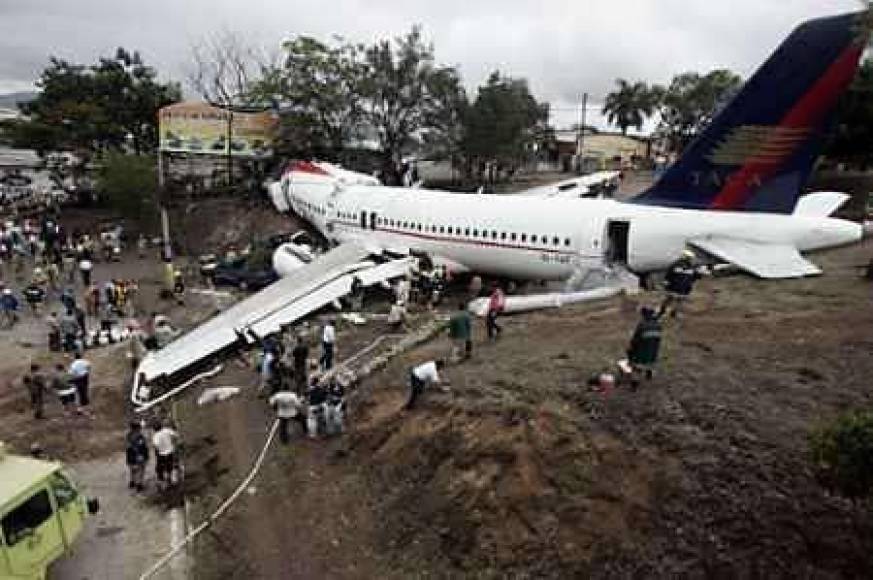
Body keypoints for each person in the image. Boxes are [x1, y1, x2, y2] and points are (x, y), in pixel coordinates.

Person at [624, 307, 663, 390]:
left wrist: (630, 351)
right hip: (653, 351)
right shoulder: (658, 325)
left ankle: (634, 386)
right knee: (650, 362)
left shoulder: (642, 325)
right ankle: (649, 374)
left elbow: (635, 341)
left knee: (637, 368)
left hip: (641, 352)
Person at [659, 250, 702, 319]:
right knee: (671, 300)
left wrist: (698, 273)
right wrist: (666, 282)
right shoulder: (677, 265)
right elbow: (669, 275)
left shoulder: (690, 267)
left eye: (690, 258)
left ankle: (671, 313)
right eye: (688, 258)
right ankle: (663, 312)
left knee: (676, 301)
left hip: (682, 287)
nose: (689, 259)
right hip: (676, 286)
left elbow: (696, 277)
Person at [152, 421, 180, 490]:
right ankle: (170, 480)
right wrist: (174, 443)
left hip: (161, 454)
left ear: (154, 429)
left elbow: (156, 445)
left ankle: (163, 483)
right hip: (170, 452)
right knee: (169, 466)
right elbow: (176, 435)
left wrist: (157, 450)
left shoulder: (156, 435)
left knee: (160, 469)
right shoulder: (167, 430)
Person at [125, 421, 150, 492]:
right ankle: (139, 484)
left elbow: (127, 446)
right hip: (138, 455)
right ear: (137, 428)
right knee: (141, 469)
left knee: (132, 469)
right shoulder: (140, 436)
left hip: (130, 455)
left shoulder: (128, 435)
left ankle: (132, 481)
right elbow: (141, 446)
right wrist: (141, 455)